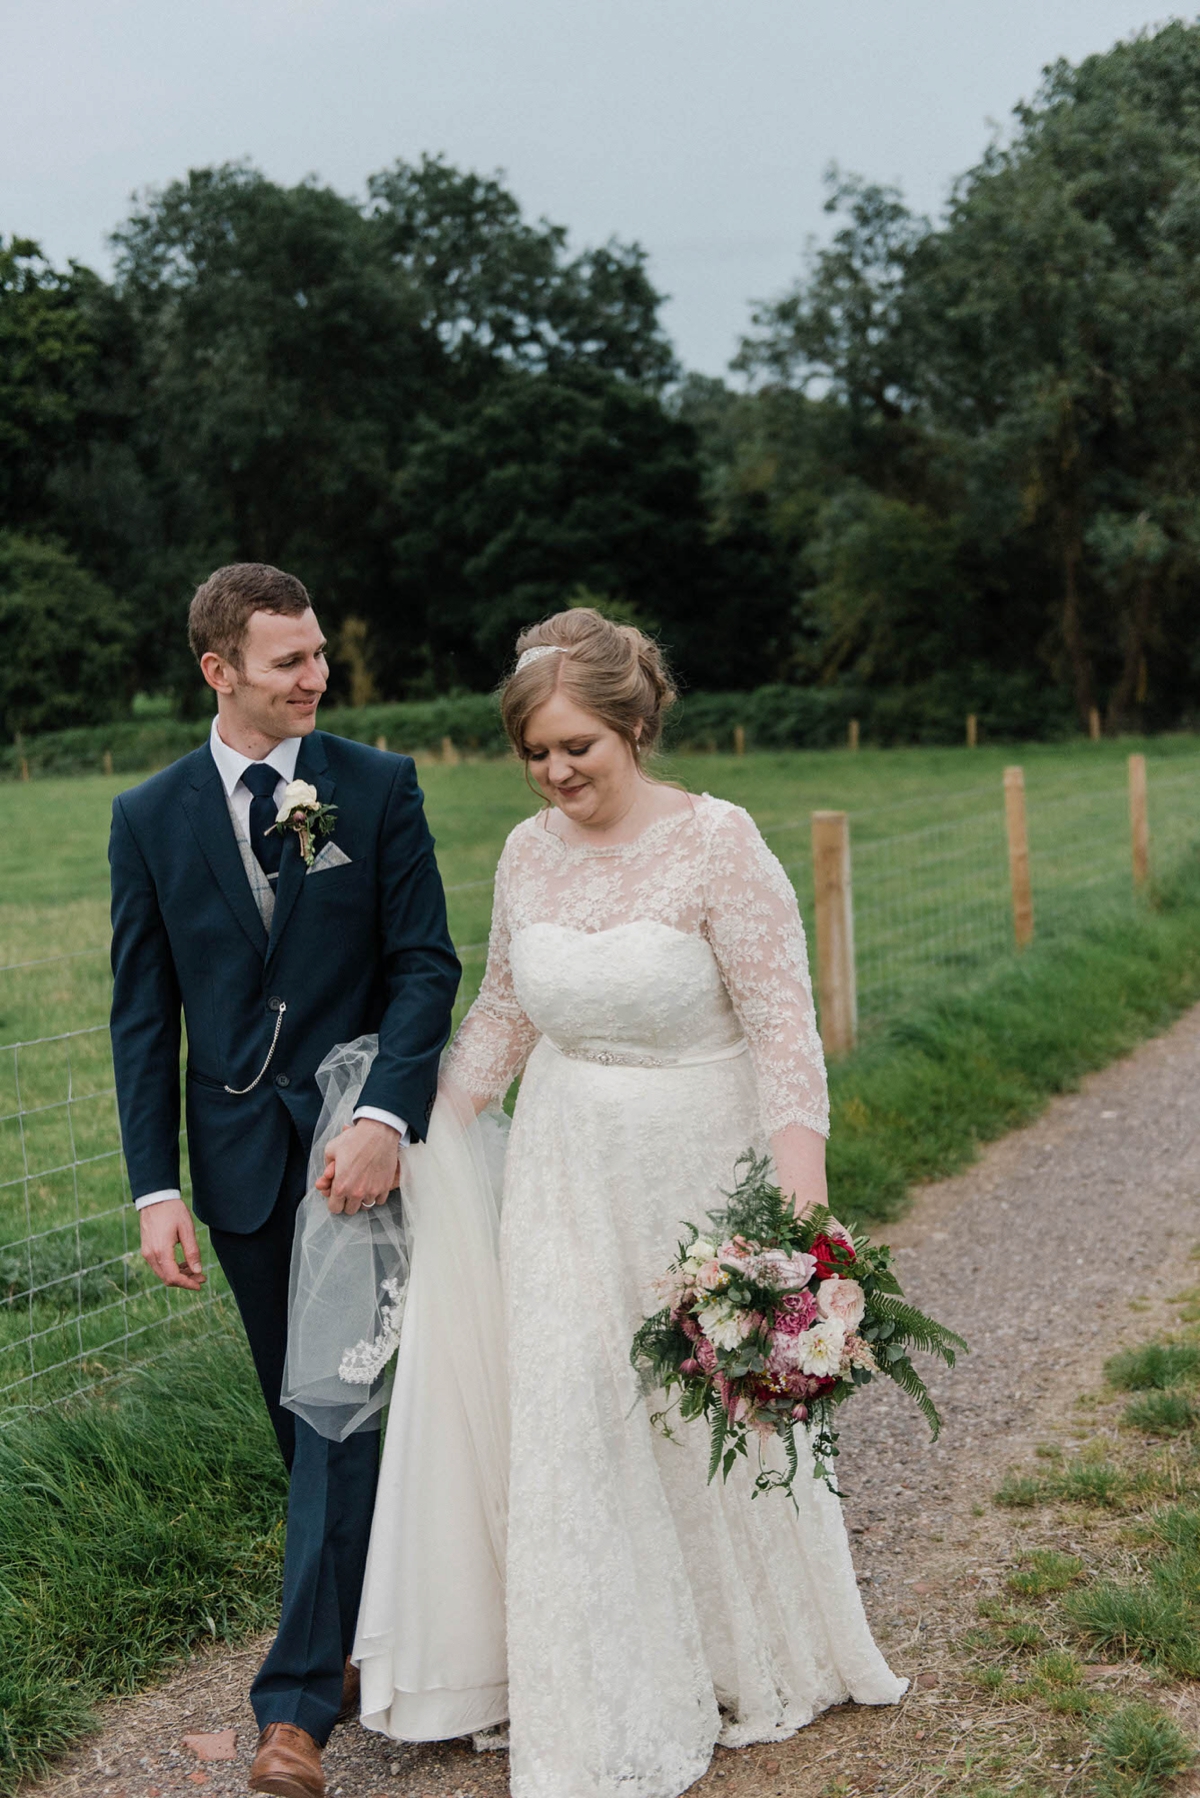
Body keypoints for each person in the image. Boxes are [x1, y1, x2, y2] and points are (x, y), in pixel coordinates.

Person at [350, 607, 904, 1798]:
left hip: (696, 1172)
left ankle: (735, 1647)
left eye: (578, 750)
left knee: (690, 1407)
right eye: (536, 753)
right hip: (558, 1173)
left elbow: (784, 1034)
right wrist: (412, 1123)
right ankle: (593, 1677)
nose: (556, 775)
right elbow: (502, 1007)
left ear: (637, 725)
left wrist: (796, 1227)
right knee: (578, 1415)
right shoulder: (524, 852)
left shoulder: (719, 844)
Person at [108, 562, 460, 1798]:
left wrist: (383, 1117)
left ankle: (295, 1709)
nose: (318, 677)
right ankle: (364, 1634)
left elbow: (426, 965)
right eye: (289, 661)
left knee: (335, 1412)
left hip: (360, 1160)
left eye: (318, 654)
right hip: (242, 1169)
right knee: (298, 1417)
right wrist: (156, 1186)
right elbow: (144, 1018)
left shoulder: (376, 785)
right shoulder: (148, 818)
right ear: (219, 671)